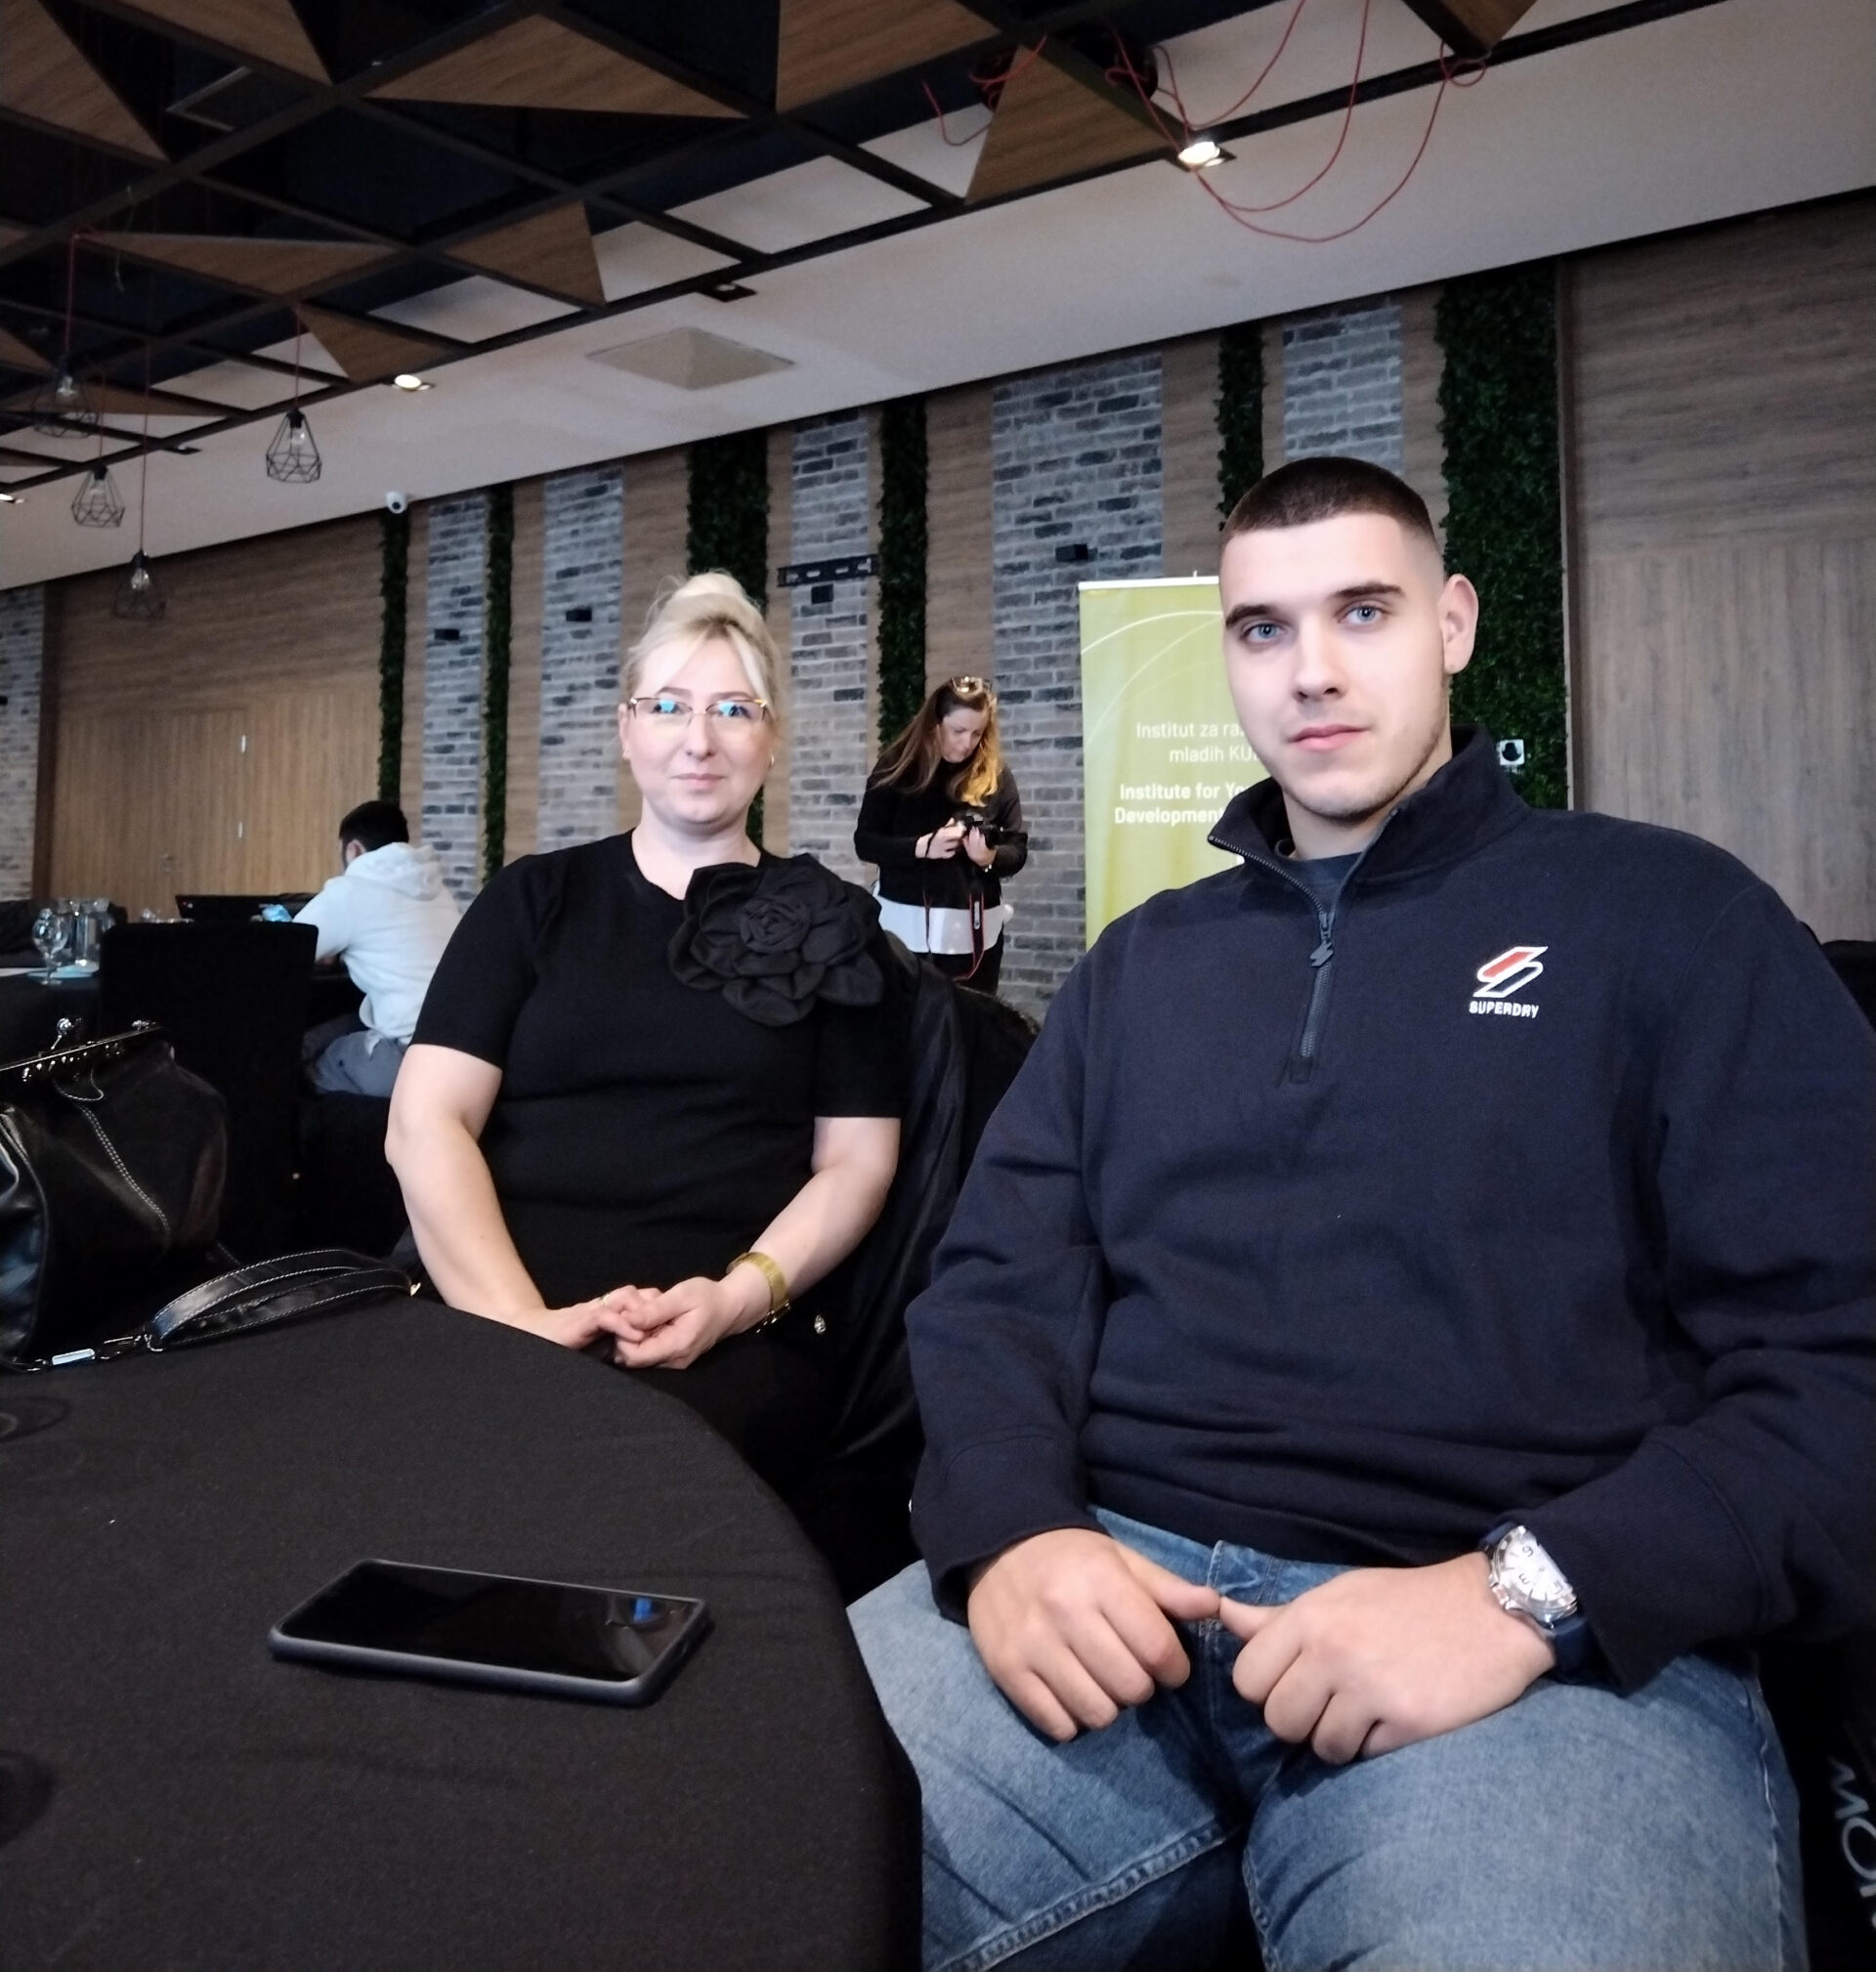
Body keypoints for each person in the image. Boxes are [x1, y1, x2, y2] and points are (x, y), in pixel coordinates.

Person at [851, 454, 1875, 1972]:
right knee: (682, 1856)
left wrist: (1527, 1594)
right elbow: (996, 1282)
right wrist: (1008, 1530)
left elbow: (1841, 1361)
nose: (1312, 670)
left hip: (1533, 1642)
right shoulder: (1143, 966)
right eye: (1263, 629)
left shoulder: (1671, 918)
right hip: (1107, 1588)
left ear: (1453, 622)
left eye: (1364, 611)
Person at [385, 572, 903, 1498]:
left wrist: (735, 1299)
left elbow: (856, 1165)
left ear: (771, 738)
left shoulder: (835, 929)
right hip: (490, 1307)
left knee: (616, 1488)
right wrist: (525, 1325)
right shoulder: (533, 900)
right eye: (668, 706)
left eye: (734, 710)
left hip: (727, 1336)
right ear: (627, 730)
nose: (699, 739)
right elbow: (426, 1123)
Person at [856, 676, 1027, 994]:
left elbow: (1017, 849)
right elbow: (865, 843)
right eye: (958, 730)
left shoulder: (995, 776)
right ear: (935, 723)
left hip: (975, 937)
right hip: (905, 933)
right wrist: (921, 847)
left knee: (974, 1020)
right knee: (907, 1018)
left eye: (977, 733)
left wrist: (989, 858)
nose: (967, 742)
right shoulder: (897, 769)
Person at [296, 800, 460, 1097]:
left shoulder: (350, 891)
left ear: (353, 850)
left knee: (309, 1065)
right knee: (345, 1023)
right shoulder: (438, 891)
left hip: (407, 1061)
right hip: (462, 1055)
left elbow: (286, 949)